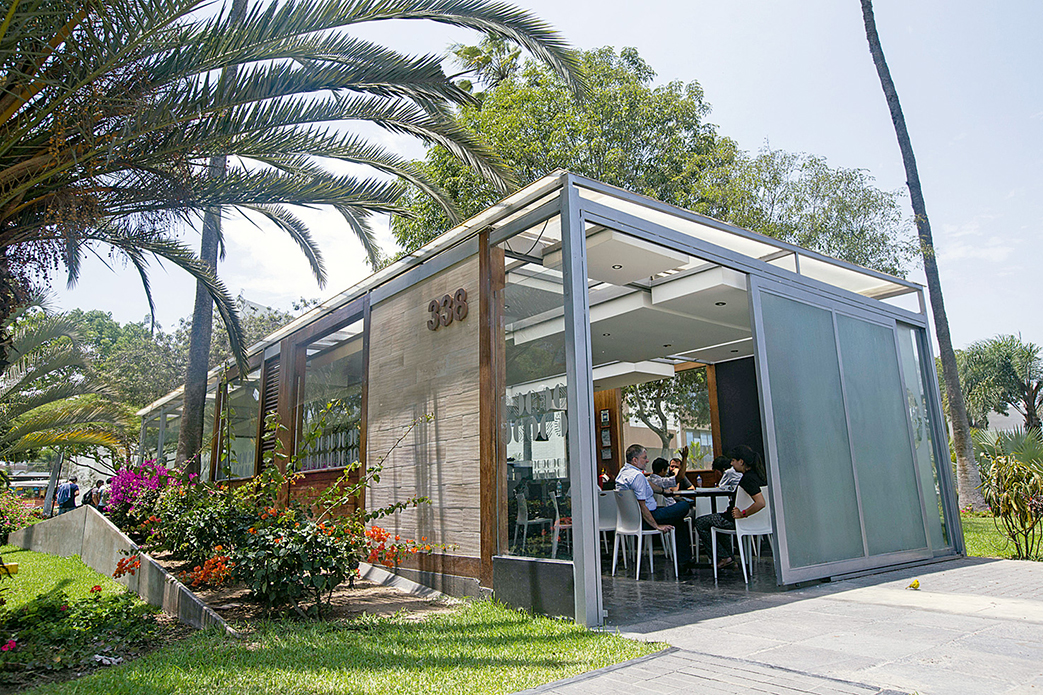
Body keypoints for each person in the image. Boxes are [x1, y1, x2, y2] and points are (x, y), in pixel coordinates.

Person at [615, 444, 693, 569]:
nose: (647, 461)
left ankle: (684, 561)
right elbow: (642, 506)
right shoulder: (637, 477)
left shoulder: (623, 473)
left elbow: (648, 484)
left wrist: (662, 491)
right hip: (647, 518)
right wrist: (657, 526)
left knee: (678, 520)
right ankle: (684, 561)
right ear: (634, 460)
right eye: (644, 458)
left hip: (629, 520)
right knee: (683, 505)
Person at [694, 445, 766, 571]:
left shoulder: (748, 479)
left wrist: (743, 513)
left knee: (700, 522)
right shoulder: (759, 476)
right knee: (717, 524)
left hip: (735, 520)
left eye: (733, 460)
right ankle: (728, 558)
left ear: (741, 461)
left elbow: (760, 502)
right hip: (757, 521)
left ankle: (723, 557)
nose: (731, 464)